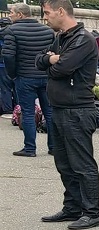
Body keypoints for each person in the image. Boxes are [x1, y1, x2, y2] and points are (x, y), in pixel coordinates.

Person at [36, 0, 99, 230]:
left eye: (47, 13)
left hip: (77, 110)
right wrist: (50, 59)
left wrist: (53, 62)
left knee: (82, 164)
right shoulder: (62, 37)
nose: (45, 17)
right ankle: (72, 207)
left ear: (61, 11)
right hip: (60, 108)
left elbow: (61, 69)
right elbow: (39, 60)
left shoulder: (83, 39)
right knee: (64, 164)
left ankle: (91, 212)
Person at [1, 2, 55, 157]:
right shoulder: (47, 30)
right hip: (45, 76)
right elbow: (53, 52)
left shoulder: (12, 31)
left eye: (11, 12)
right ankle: (54, 147)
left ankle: (30, 148)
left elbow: (8, 55)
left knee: (28, 113)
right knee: (49, 112)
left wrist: (13, 74)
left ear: (20, 14)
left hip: (25, 77)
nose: (9, 15)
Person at [0, 17, 14, 118]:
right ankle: (18, 107)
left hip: (2, 64)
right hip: (15, 64)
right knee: (16, 87)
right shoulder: (14, 33)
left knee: (5, 87)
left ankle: (8, 110)